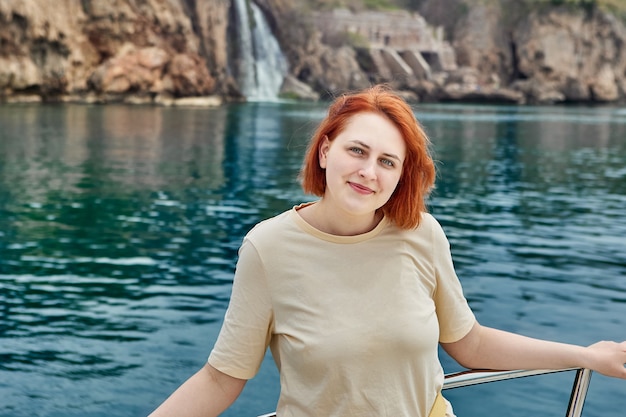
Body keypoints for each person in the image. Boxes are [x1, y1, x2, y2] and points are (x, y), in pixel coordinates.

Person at [148, 84, 626, 417]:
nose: (368, 172)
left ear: (400, 176)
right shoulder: (267, 248)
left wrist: (586, 356)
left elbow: (470, 343)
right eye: (356, 151)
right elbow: (222, 379)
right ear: (325, 151)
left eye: (387, 161)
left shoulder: (422, 233)